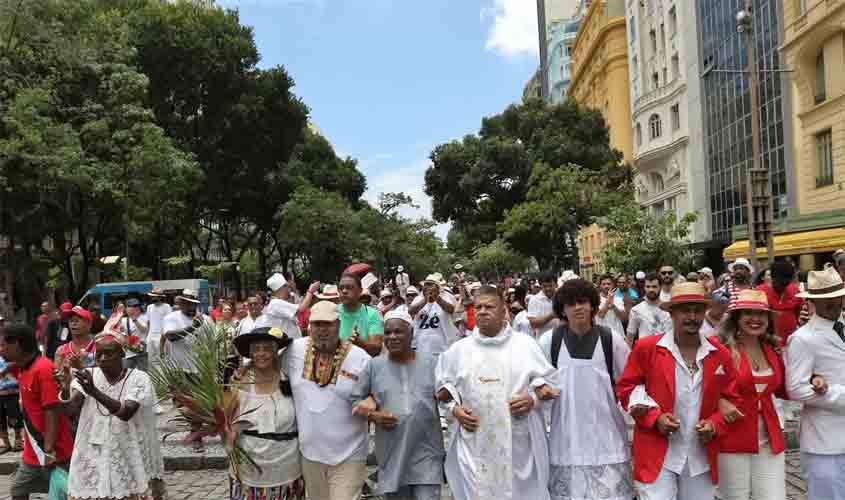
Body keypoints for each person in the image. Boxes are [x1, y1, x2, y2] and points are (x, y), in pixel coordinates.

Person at [616, 282, 741, 500]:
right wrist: (655, 418)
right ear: (672, 313)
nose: (692, 317)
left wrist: (714, 424)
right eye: (685, 310)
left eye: (698, 310)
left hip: (699, 455)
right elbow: (627, 389)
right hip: (657, 452)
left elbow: (731, 399)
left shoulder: (719, 353)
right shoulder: (647, 348)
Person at [435, 285, 558, 500]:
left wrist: (533, 400)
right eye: (478, 307)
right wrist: (455, 410)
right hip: (475, 444)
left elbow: (551, 385)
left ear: (503, 311)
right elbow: (442, 389)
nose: (482, 311)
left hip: (518, 448)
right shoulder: (458, 350)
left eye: (489, 307)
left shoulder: (525, 345)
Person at [539, 279, 633, 500]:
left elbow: (629, 382)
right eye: (571, 303)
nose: (578, 307)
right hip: (565, 440)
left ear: (592, 305)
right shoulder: (549, 341)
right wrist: (541, 390)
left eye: (582, 302)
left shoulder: (612, 340)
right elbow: (536, 382)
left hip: (608, 440)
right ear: (562, 309)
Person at [56, 331, 164, 500]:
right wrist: (63, 387)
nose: (103, 358)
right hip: (94, 450)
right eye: (99, 354)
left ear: (122, 354)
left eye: (109, 353)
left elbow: (126, 413)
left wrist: (94, 392)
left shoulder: (139, 378)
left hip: (128, 449)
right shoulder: (88, 375)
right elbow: (71, 408)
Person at [350, 310, 445, 500]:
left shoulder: (433, 363)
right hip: (391, 455)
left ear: (411, 333)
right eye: (388, 333)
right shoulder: (374, 366)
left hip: (427, 453)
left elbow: (447, 394)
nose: (392, 337)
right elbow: (355, 400)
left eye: (398, 332)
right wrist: (373, 415)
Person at [282, 301, 370, 500]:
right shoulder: (294, 350)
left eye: (327, 324)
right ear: (309, 326)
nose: (322, 330)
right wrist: (244, 368)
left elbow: (376, 394)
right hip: (310, 453)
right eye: (317, 325)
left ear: (338, 325)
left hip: (350, 453)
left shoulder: (360, 358)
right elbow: (267, 366)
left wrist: (371, 402)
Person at [716, 290, 791, 500]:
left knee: (774, 496)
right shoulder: (722, 350)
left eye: (761, 314)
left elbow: (785, 388)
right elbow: (703, 387)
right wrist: (720, 401)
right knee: (735, 497)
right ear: (737, 318)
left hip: (769, 439)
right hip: (732, 438)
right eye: (748, 313)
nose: (755, 319)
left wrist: (813, 378)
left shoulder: (773, 349)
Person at [785, 266, 845, 500]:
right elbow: (796, 388)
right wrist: (837, 394)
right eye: (825, 300)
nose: (833, 304)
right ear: (812, 302)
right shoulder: (803, 338)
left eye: (836, 298)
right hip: (824, 442)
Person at [1, 324, 74, 500]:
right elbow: (16, 365)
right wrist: (6, 369)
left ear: (17, 344)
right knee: (19, 490)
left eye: (3, 345)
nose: (1, 349)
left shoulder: (43, 369)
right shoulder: (23, 366)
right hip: (33, 451)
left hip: (51, 450)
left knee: (65, 491)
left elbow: (52, 410)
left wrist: (48, 449)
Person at [230, 327, 304, 500]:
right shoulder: (239, 383)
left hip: (287, 468)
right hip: (249, 469)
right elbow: (229, 421)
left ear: (276, 352)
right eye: (256, 349)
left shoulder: (290, 380)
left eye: (267, 349)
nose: (261, 354)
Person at [162, 289, 211, 451]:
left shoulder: (207, 320)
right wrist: (192, 327)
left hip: (200, 370)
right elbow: (170, 336)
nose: (191, 307)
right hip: (178, 370)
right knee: (182, 404)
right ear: (180, 303)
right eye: (187, 303)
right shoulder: (171, 318)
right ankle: (195, 430)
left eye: (193, 304)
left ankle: (196, 434)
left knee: (198, 403)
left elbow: (212, 342)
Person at [408, 274, 459, 355]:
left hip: (444, 346)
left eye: (430, 285)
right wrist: (425, 299)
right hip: (422, 347)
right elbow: (411, 311)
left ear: (438, 287)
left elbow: (451, 310)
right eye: (425, 284)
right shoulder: (418, 298)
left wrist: (437, 298)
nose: (427, 287)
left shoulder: (447, 296)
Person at [336, 273, 384, 357]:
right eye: (341, 288)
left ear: (360, 291)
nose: (344, 291)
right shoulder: (332, 312)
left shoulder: (372, 314)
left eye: (349, 287)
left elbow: (376, 349)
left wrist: (359, 342)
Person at [757, 259, 803, 345]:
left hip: (792, 342)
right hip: (768, 342)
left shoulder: (795, 290)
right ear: (773, 277)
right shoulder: (759, 292)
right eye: (781, 283)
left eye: (787, 283)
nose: (783, 287)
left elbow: (798, 313)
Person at [626, 272, 673, 345]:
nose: (651, 290)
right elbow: (629, 338)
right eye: (648, 286)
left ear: (660, 287)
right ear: (644, 287)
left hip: (665, 352)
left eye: (654, 286)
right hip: (644, 353)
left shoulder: (669, 309)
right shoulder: (636, 310)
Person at [145, 288, 171, 414]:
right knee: (151, 366)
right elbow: (149, 323)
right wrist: (148, 337)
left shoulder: (166, 307)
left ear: (161, 297)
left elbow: (168, 323)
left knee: (163, 364)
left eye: (155, 296)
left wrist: (163, 339)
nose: (153, 298)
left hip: (161, 338)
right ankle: (155, 391)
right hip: (151, 338)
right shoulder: (149, 307)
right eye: (152, 295)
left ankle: (165, 392)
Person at [54, 306, 96, 372]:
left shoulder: (98, 348)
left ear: (89, 324)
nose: (73, 323)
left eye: (77, 319)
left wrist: (80, 367)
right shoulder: (61, 351)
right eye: (71, 320)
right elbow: (58, 379)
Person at [263, 274, 305, 339]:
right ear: (281, 288)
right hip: (285, 344)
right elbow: (300, 309)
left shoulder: (278, 302)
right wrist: (310, 291)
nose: (289, 289)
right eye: (286, 286)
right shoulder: (275, 303)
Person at [118, 298, 149, 370]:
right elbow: (121, 333)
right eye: (132, 306)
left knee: (143, 373)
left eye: (136, 306)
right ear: (127, 308)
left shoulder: (144, 317)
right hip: (129, 351)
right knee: (126, 373)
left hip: (142, 350)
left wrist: (134, 319)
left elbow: (144, 330)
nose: (135, 308)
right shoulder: (124, 320)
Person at [0, 353, 22, 452]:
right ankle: (5, 443)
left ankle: (18, 441)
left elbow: (18, 363)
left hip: (12, 390)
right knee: (0, 420)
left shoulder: (9, 354)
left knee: (15, 416)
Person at [527, 272, 558, 340]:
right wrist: (552, 315)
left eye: (550, 285)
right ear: (540, 285)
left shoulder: (561, 297)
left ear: (556, 284)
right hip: (543, 342)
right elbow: (533, 324)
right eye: (544, 286)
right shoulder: (534, 300)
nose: (548, 289)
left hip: (562, 340)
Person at [596, 274, 625, 340]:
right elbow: (601, 315)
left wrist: (613, 306)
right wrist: (608, 301)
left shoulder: (618, 299)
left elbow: (623, 318)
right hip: (602, 336)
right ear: (600, 286)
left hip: (618, 335)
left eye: (609, 284)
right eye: (604, 284)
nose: (606, 286)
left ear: (613, 285)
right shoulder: (596, 299)